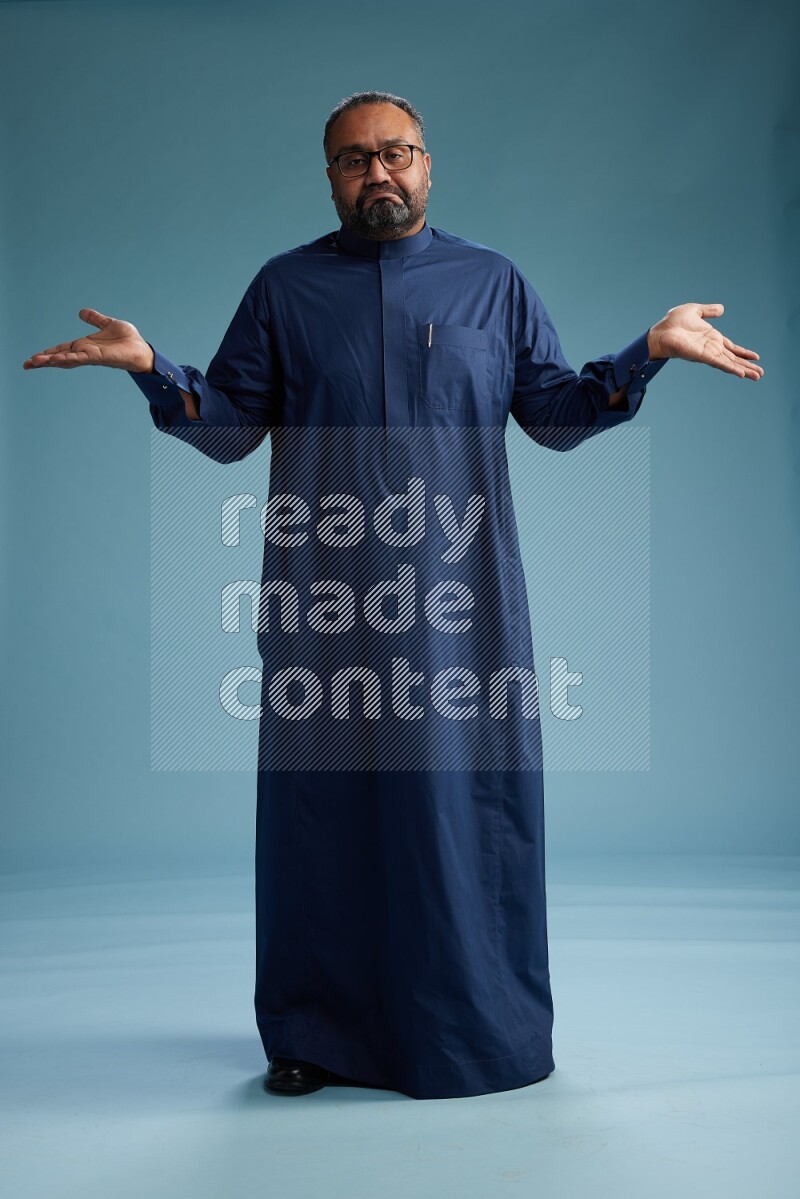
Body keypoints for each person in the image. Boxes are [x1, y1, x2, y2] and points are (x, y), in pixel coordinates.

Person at [23, 90, 763, 1101]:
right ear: (327, 175)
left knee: (464, 809)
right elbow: (231, 423)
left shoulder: (489, 284)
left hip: (463, 610)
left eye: (396, 153)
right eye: (353, 159)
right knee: (319, 815)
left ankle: (478, 1029)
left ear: (426, 162)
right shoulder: (284, 290)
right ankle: (311, 1033)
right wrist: (153, 368)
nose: (378, 173)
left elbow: (551, 412)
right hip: (324, 604)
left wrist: (646, 350)